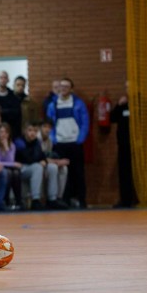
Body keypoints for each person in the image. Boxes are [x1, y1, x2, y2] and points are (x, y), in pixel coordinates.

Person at [45, 77, 89, 208]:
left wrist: (80, 138)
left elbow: (85, 122)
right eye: (61, 86)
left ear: (71, 89)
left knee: (79, 173)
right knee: (63, 173)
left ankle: (82, 200)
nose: (63, 88)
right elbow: (49, 124)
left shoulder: (79, 103)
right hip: (60, 144)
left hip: (75, 143)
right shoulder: (53, 104)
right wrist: (54, 139)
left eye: (66, 86)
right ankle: (64, 200)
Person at [110, 80, 135, 208]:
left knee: (136, 173)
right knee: (124, 173)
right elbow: (112, 118)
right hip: (124, 144)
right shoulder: (123, 104)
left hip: (138, 146)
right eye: (126, 87)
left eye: (130, 87)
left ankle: (137, 199)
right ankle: (125, 200)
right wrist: (119, 105)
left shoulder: (142, 103)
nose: (128, 90)